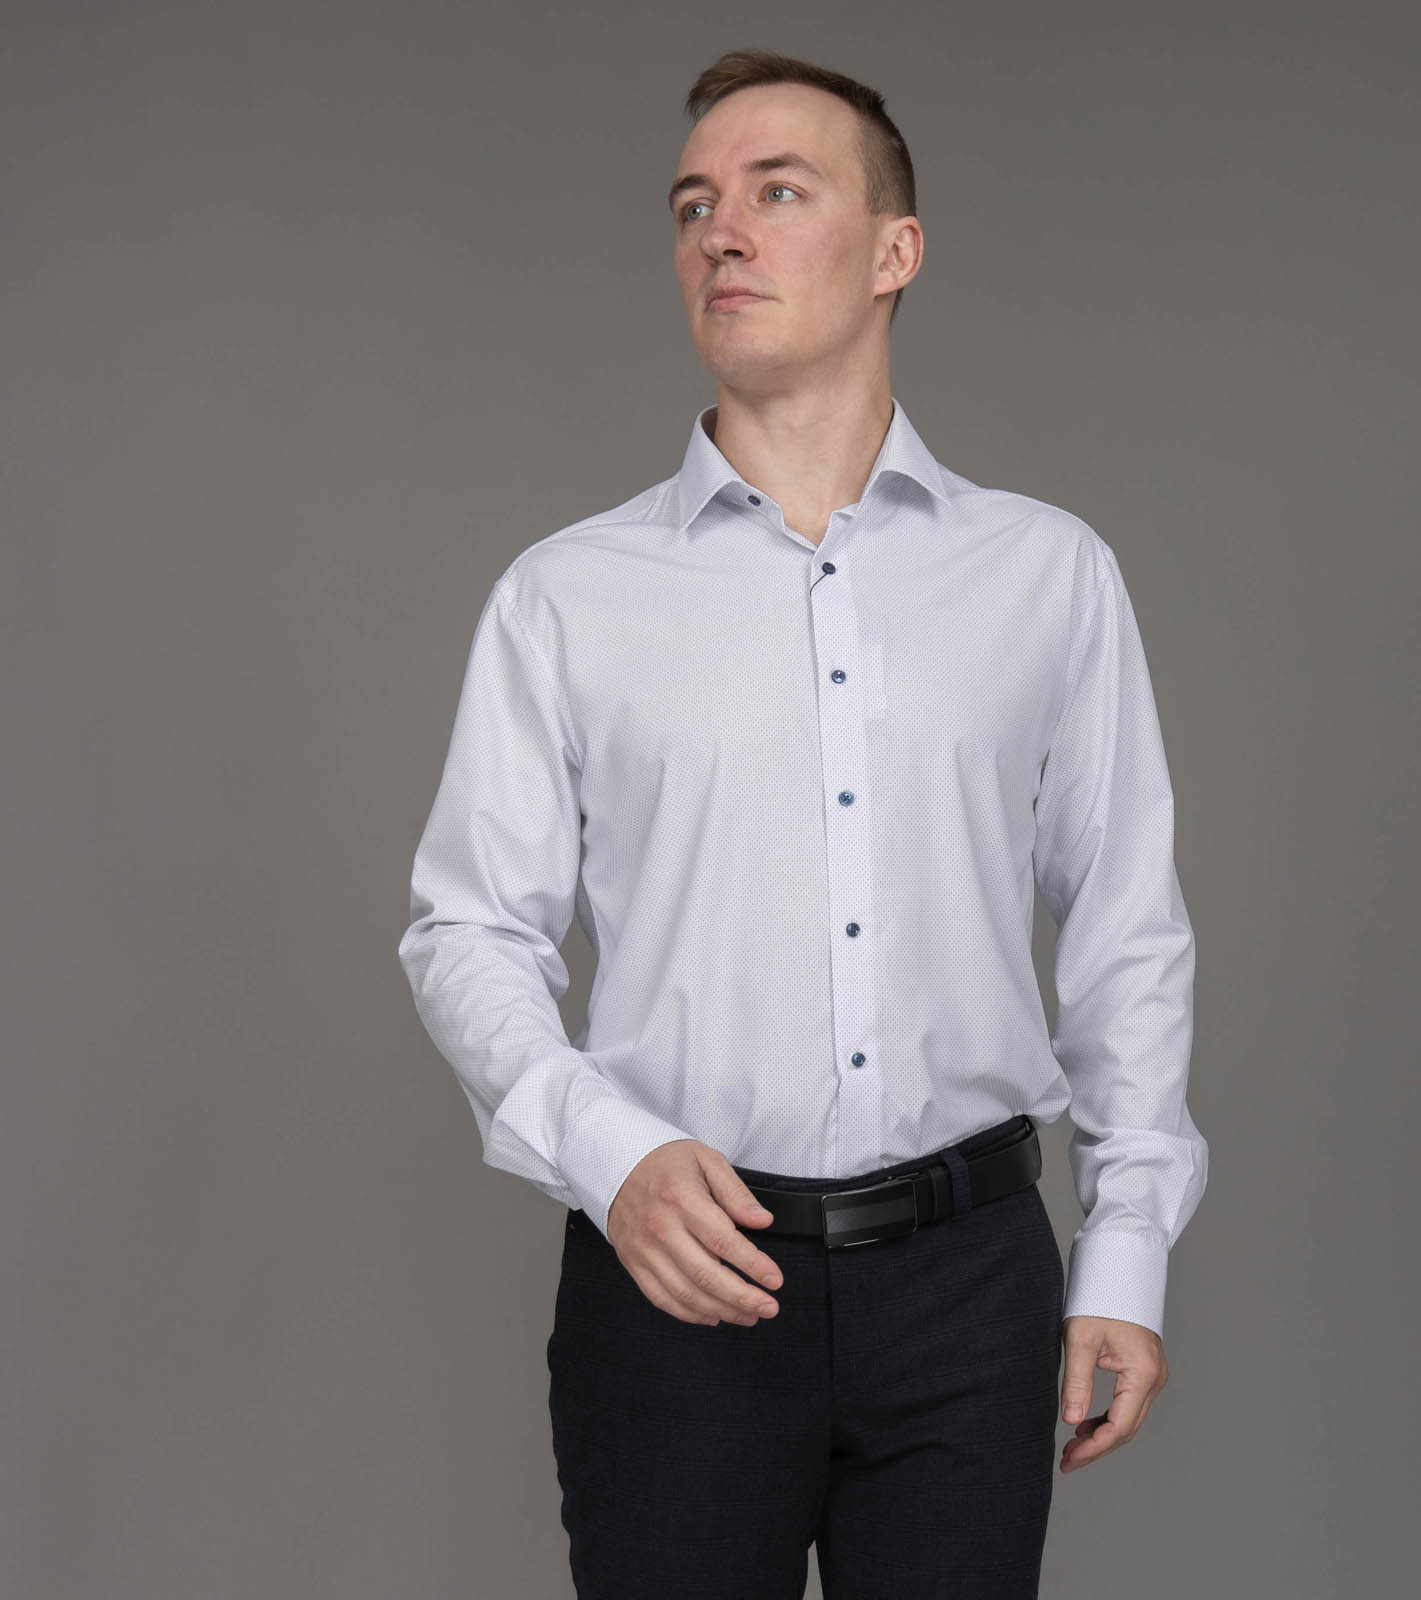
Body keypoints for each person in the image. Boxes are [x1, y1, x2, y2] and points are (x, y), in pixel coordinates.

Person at [397, 45, 1208, 1600]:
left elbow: (1126, 929)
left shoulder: (1046, 577)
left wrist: (1128, 1251)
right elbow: (467, 931)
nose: (721, 232)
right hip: (679, 1281)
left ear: (896, 250)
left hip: (970, 1292)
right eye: (692, 204)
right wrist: (610, 1155)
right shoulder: (567, 597)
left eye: (777, 192)